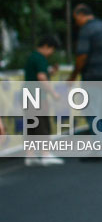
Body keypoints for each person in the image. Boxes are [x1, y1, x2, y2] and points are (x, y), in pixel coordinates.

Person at [69, 4, 102, 144]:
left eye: (76, 19)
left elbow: (82, 56)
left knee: (93, 112)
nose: (76, 22)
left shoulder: (86, 30)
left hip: (92, 77)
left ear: (80, 15)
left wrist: (73, 75)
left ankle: (98, 148)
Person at [24, 35, 63, 166]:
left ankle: (30, 155)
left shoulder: (32, 57)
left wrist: (50, 72)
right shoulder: (41, 58)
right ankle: (45, 153)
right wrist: (53, 93)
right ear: (46, 46)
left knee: (31, 125)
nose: (52, 53)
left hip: (27, 93)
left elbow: (38, 74)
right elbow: (41, 77)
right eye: (52, 49)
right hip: (38, 95)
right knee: (42, 124)